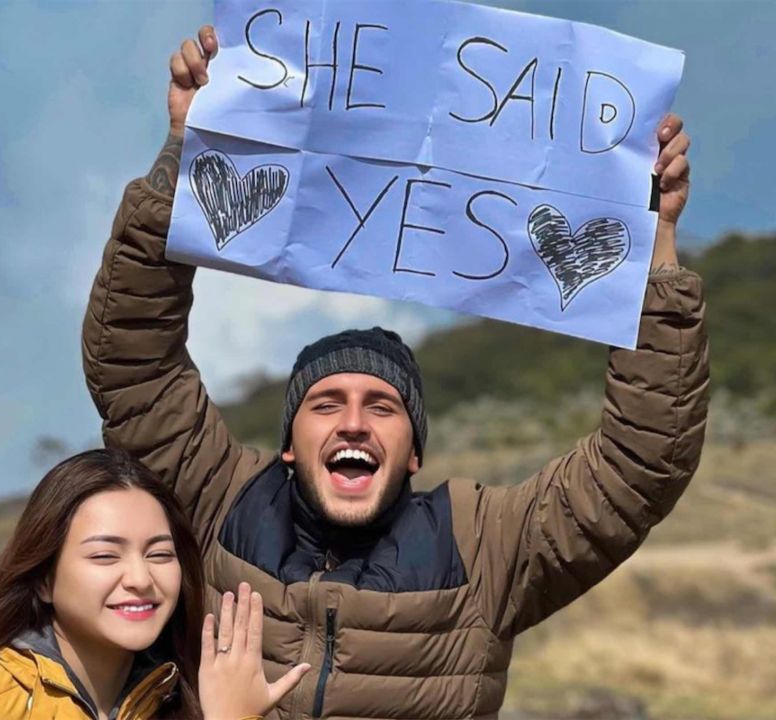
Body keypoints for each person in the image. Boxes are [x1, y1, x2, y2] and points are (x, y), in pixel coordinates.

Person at [82, 26, 708, 720]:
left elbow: (641, 460)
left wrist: (652, 255)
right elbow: (132, 363)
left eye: (383, 406)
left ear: (415, 451)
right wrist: (189, 154)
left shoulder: (488, 545)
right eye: (325, 403)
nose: (354, 421)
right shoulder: (220, 503)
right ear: (288, 442)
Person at [0, 448, 309, 720]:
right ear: (42, 578)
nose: (140, 579)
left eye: (160, 554)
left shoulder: (186, 699)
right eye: (105, 555)